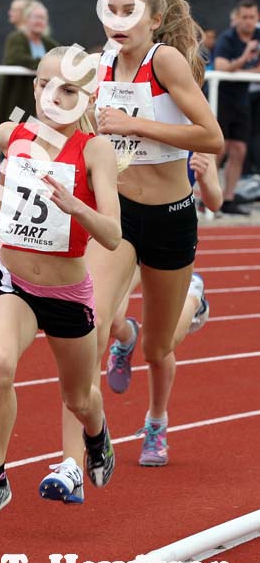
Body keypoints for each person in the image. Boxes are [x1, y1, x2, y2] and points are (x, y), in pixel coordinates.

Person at [53, 0, 223, 478]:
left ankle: (155, 417)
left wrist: (133, 124)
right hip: (118, 214)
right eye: (111, 8)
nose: (117, 20)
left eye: (130, 11)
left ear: (154, 20)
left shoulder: (164, 61)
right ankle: (71, 460)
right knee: (92, 324)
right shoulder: (94, 63)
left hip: (170, 216)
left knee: (159, 346)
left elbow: (210, 135)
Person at [0, 45, 121, 543]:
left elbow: (113, 235)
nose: (55, 96)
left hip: (68, 293)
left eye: (69, 89)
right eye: (46, 85)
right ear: (34, 89)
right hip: (14, 283)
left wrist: (77, 206)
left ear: (87, 95)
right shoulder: (12, 136)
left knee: (79, 398)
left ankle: (96, 435)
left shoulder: (95, 151)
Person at [106, 152, 223, 409]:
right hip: (127, 231)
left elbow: (215, 201)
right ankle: (127, 338)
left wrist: (203, 179)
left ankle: (194, 299)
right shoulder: (125, 118)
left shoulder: (192, 133)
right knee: (109, 321)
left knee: (157, 346)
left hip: (167, 239)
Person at [214, 0, 260, 214]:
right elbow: (222, 66)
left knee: (239, 149)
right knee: (219, 148)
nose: (248, 22)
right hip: (221, 98)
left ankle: (228, 198)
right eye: (244, 17)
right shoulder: (228, 38)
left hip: (242, 99)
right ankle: (210, 196)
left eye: (252, 17)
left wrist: (242, 71)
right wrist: (243, 57)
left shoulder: (258, 37)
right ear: (237, 18)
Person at [0, 0, 58, 127]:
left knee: (39, 137)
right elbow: (15, 58)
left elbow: (62, 57)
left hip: (43, 103)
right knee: (17, 133)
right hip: (18, 102)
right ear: (27, 19)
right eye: (36, 17)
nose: (39, 21)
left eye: (43, 18)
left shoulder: (47, 42)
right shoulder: (16, 38)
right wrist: (48, 66)